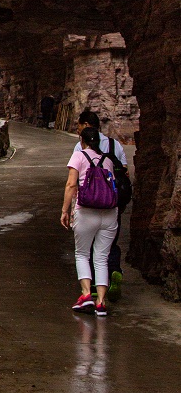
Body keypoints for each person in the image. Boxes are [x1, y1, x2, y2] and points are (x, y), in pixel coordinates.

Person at [61, 124, 119, 317]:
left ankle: (86, 295)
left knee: (82, 254)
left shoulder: (79, 156)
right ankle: (101, 303)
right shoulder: (107, 160)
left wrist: (65, 210)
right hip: (109, 212)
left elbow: (71, 184)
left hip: (86, 211)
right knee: (101, 257)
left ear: (82, 141)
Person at [73, 108, 129, 299]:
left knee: (87, 249)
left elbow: (74, 179)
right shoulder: (115, 145)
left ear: (86, 125)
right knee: (108, 245)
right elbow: (124, 172)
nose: (78, 130)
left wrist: (69, 208)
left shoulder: (80, 148)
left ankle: (91, 287)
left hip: (88, 205)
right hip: (111, 203)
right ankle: (114, 273)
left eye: (79, 126)